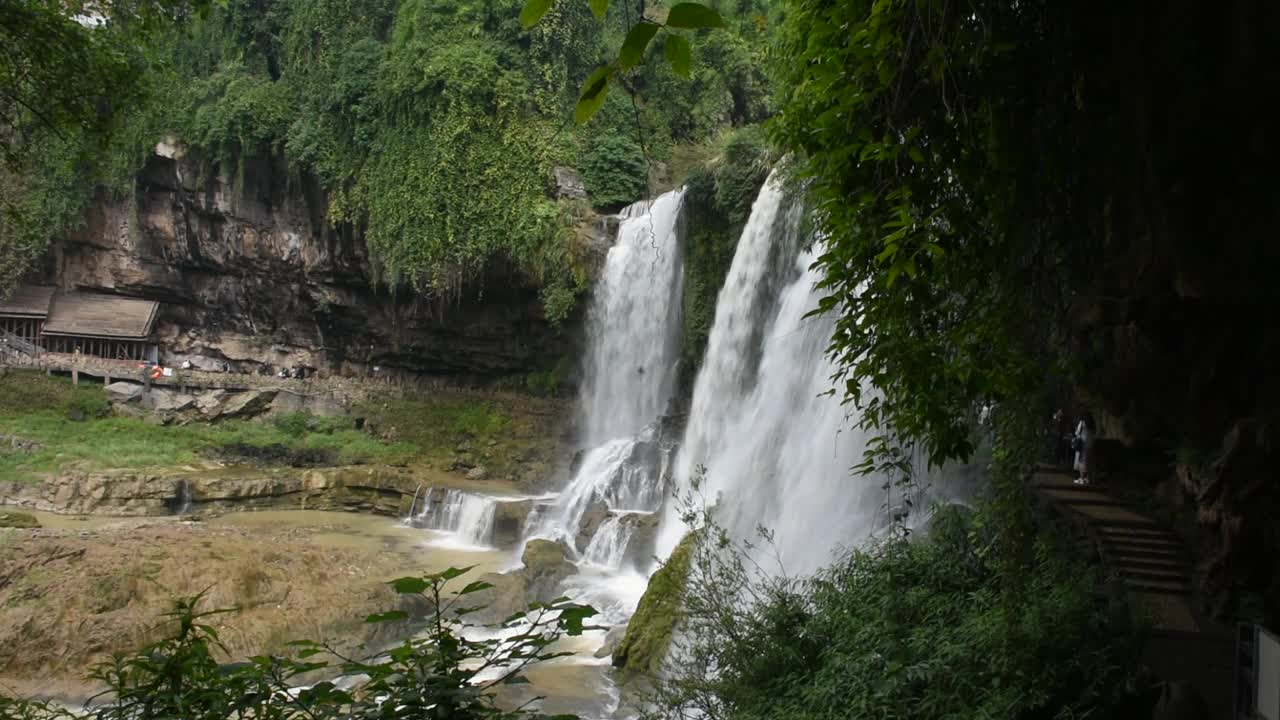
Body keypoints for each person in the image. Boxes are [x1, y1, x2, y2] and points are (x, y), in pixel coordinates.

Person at [1073, 414, 1095, 485]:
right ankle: (1088, 479)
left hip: (1082, 444)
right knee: (1088, 462)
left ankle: (1081, 478)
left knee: (1081, 462)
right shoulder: (1093, 424)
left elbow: (1077, 432)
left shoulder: (1082, 423)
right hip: (1090, 444)